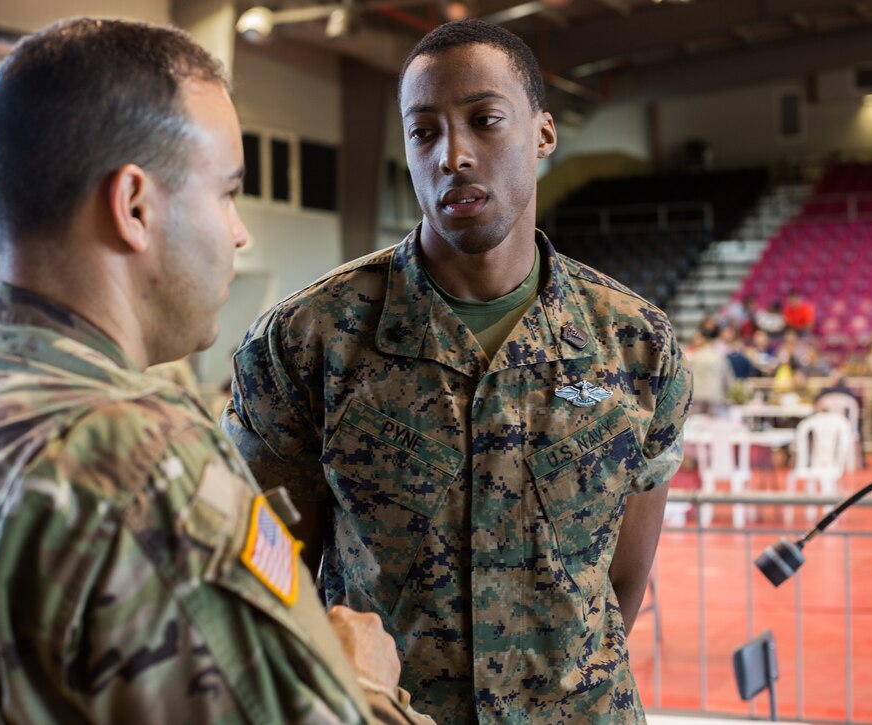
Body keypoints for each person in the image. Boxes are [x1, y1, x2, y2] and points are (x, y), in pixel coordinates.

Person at [0, 18, 429, 725]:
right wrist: (361, 682)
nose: (239, 232)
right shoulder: (141, 462)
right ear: (135, 206)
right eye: (228, 193)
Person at [223, 19, 692, 724]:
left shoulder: (636, 347)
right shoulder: (306, 343)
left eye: (484, 120)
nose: (453, 155)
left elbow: (623, 583)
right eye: (424, 132)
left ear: (543, 134)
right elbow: (269, 577)